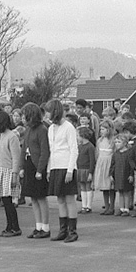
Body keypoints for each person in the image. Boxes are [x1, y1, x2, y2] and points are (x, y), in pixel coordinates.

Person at [46, 99, 80, 242]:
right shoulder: (50, 128)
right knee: (60, 199)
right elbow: (51, 150)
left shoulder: (68, 127)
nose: (46, 115)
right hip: (55, 166)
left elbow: (74, 150)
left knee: (69, 199)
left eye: (48, 112)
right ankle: (63, 230)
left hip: (66, 166)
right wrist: (49, 169)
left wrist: (70, 170)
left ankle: (72, 231)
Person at [20, 102, 51, 238]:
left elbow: (45, 151)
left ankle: (45, 227)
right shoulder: (28, 130)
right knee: (33, 198)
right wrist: (21, 167)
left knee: (41, 198)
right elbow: (23, 149)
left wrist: (40, 169)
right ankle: (38, 226)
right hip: (28, 164)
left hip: (37, 166)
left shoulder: (42, 129)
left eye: (24, 116)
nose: (22, 118)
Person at [0, 110, 22, 237]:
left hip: (9, 170)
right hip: (0, 169)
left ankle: (15, 227)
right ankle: (9, 226)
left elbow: (16, 157)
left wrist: (15, 173)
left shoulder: (12, 136)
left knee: (9, 201)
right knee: (4, 200)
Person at [109, 133, 134, 216]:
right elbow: (112, 165)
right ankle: (121, 208)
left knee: (126, 192)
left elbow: (131, 165)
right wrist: (111, 175)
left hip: (126, 174)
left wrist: (131, 175)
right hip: (118, 174)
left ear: (125, 143)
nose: (117, 144)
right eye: (116, 142)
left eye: (119, 142)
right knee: (120, 192)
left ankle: (126, 209)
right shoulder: (115, 154)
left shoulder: (129, 153)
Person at [93, 121, 115, 215]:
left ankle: (112, 207)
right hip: (101, 164)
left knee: (111, 187)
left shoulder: (113, 141)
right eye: (101, 129)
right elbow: (97, 153)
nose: (101, 131)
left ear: (108, 130)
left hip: (109, 164)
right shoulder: (100, 141)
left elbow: (114, 153)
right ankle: (106, 206)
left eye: (103, 129)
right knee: (104, 187)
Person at [76, 127, 96, 213]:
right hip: (80, 169)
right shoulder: (80, 146)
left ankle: (89, 206)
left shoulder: (90, 147)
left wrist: (91, 172)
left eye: (78, 135)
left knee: (88, 187)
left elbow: (92, 160)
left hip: (87, 169)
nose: (77, 137)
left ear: (83, 136)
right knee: (82, 187)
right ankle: (83, 206)